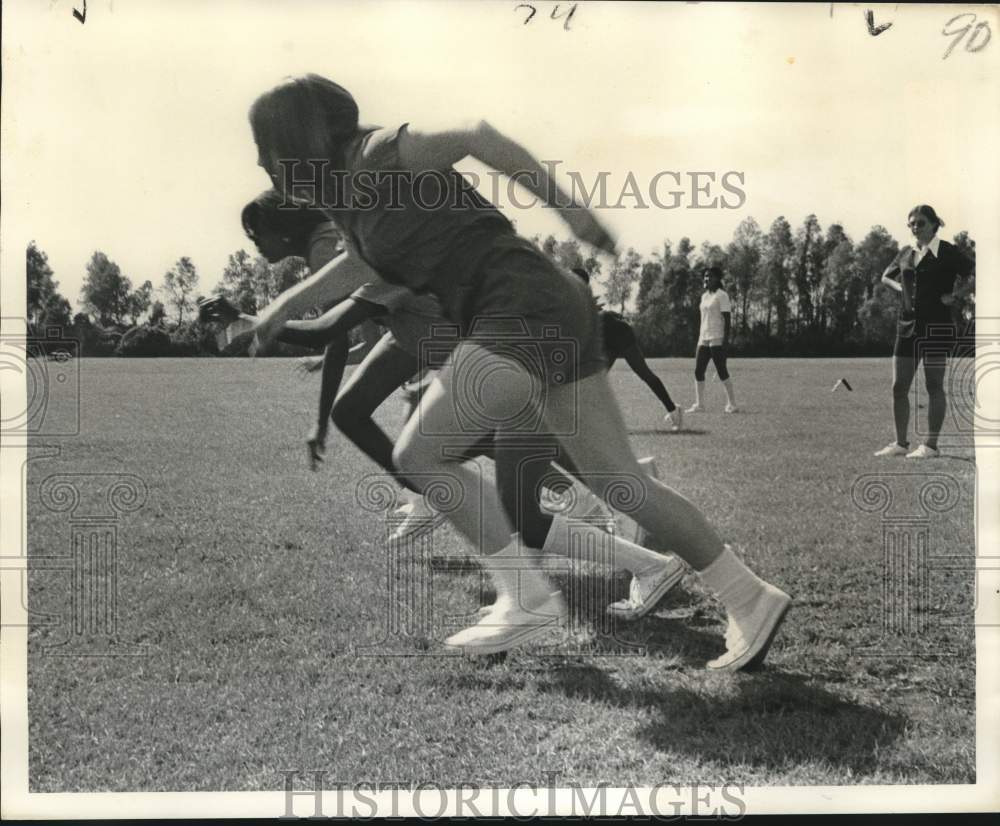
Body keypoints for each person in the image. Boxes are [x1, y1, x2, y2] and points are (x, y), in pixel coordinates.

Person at [246, 74, 790, 667]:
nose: (265, 167)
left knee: (421, 454)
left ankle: (525, 597)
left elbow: (478, 136)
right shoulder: (350, 205)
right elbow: (359, 266)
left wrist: (572, 212)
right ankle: (750, 597)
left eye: (268, 153)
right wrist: (278, 310)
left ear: (304, 139)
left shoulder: (380, 154)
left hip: (518, 304)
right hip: (552, 308)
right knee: (617, 481)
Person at [874, 204, 972, 459]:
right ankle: (900, 443)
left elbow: (977, 274)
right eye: (912, 224)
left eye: (921, 223)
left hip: (936, 327)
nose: (915, 228)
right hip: (906, 326)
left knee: (933, 386)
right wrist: (902, 291)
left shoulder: (948, 252)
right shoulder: (906, 253)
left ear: (933, 224)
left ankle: (930, 445)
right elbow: (886, 276)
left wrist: (956, 295)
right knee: (899, 387)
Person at [571, 268, 683, 431]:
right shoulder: (575, 297)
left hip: (619, 334)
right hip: (606, 337)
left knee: (644, 373)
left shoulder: (579, 296)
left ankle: (674, 410)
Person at [687, 266, 737, 414]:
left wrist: (726, 340)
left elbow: (727, 319)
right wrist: (700, 336)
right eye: (705, 276)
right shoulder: (704, 296)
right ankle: (699, 405)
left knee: (722, 371)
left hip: (717, 337)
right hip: (703, 338)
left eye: (710, 276)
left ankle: (732, 404)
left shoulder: (722, 295)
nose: (707, 279)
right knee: (698, 371)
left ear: (717, 279)